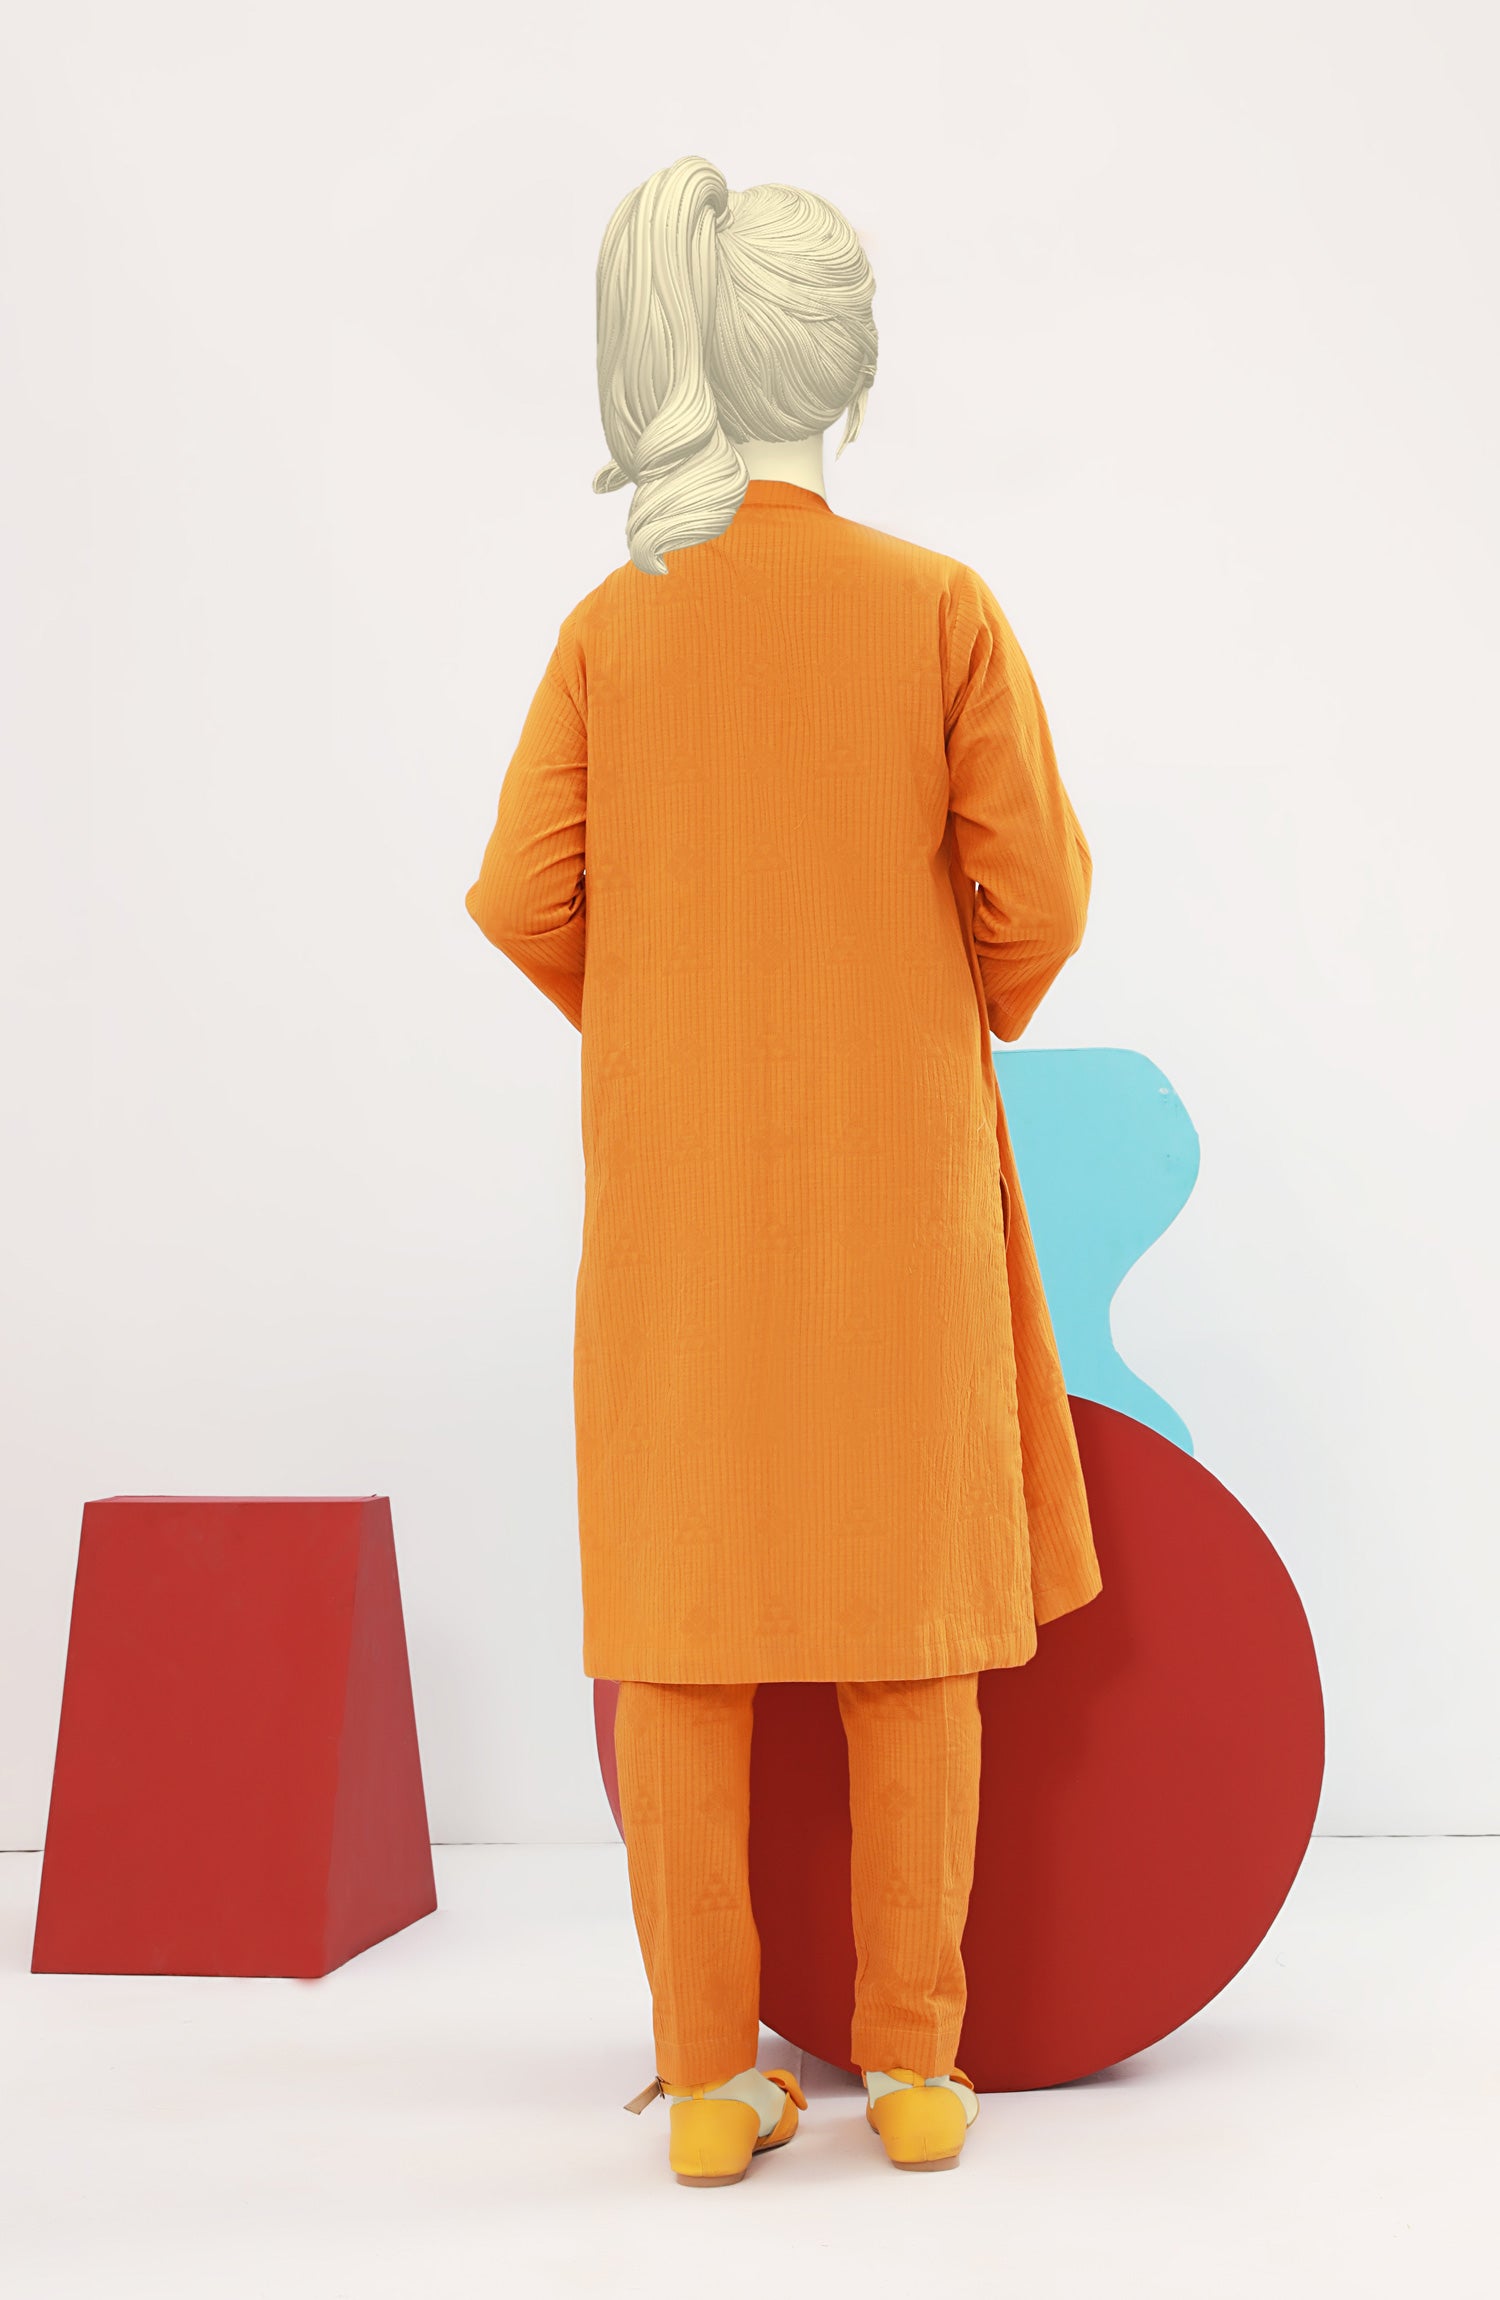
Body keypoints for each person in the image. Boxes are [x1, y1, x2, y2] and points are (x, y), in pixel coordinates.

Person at [466, 155, 1102, 2186]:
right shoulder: (937, 609)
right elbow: (1039, 901)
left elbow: (524, 893)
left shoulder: (612, 627)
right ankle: (913, 2067)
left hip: (677, 1208)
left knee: (686, 1624)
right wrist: (933, 993)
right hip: (897, 1192)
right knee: (911, 1623)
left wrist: (665, 1016)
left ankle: (704, 2084)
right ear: (850, 373)